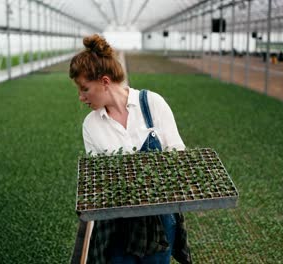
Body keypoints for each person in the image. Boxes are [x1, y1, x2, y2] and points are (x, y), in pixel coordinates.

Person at [69, 34, 192, 264]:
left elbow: (178, 158)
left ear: (104, 81)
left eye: (85, 89)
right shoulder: (92, 125)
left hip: (159, 224)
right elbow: (101, 182)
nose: (81, 97)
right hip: (118, 226)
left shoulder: (151, 104)